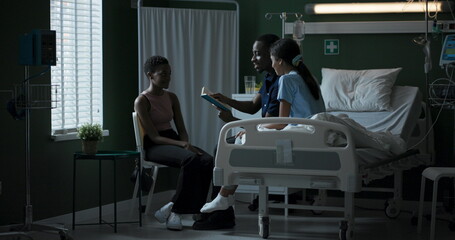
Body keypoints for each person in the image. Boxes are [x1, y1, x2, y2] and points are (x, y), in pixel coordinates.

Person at [199, 38, 325, 215]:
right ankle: (224, 196)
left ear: (279, 60)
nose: (273, 66)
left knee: (237, 147)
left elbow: (282, 122)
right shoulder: (307, 77)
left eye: (272, 60)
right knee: (243, 141)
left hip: (301, 139)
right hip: (316, 136)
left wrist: (253, 130)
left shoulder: (286, 80)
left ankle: (224, 196)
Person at [192, 34, 281, 230]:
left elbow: (268, 127)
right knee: (221, 147)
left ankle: (221, 214)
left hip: (270, 139)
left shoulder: (281, 83)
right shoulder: (268, 78)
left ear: (272, 55)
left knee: (223, 148)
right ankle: (220, 211)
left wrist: (231, 121)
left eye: (257, 54)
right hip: (264, 134)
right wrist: (225, 99)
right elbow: (251, 106)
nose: (252, 59)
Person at [134, 55, 214, 231]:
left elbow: (181, 129)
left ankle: (193, 209)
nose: (168, 77)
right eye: (163, 74)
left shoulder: (171, 97)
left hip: (172, 139)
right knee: (191, 159)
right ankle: (175, 211)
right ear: (150, 75)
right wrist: (182, 146)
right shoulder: (142, 101)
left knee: (208, 160)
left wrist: (184, 142)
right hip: (154, 145)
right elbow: (154, 137)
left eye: (169, 74)